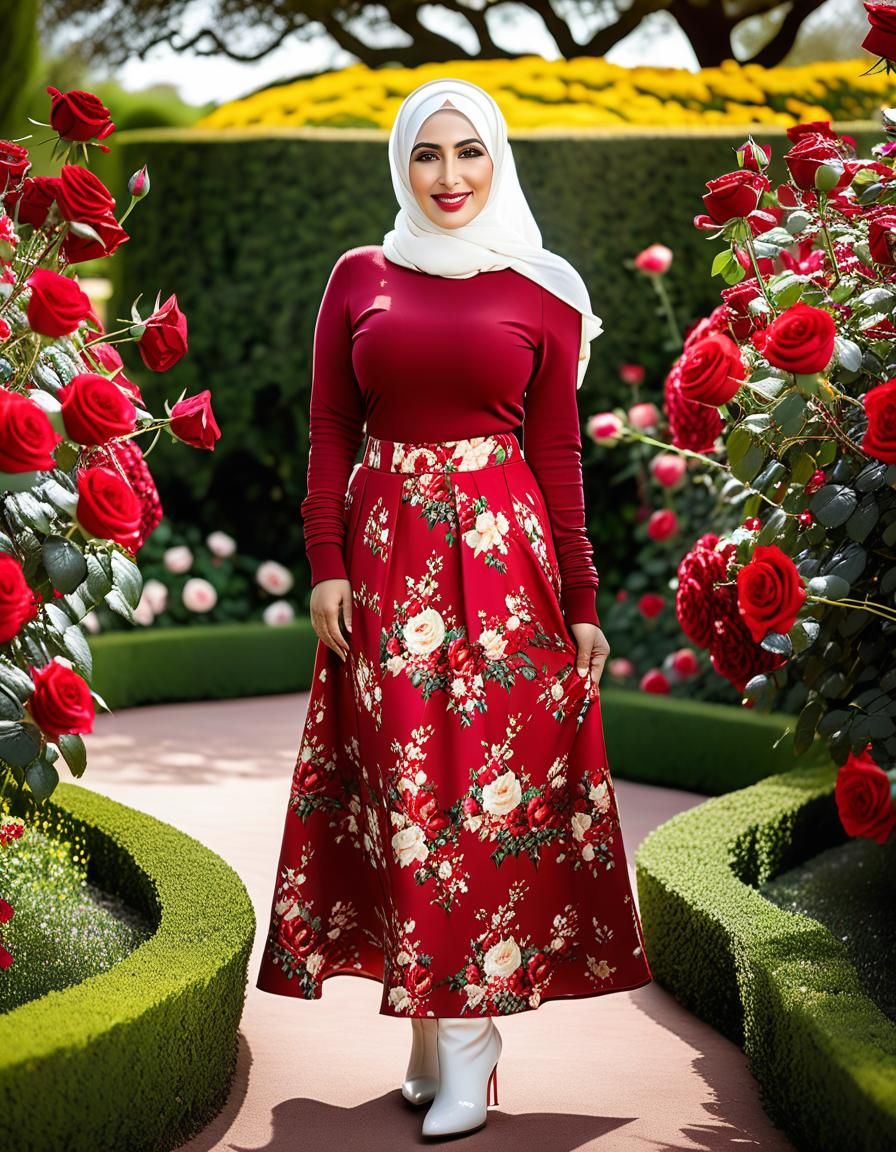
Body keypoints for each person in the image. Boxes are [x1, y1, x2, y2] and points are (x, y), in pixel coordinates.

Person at [256, 76, 653, 1140]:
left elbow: (557, 453)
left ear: (497, 160)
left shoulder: (543, 289)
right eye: (427, 153)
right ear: (401, 163)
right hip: (384, 570)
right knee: (403, 797)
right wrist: (326, 563)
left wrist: (581, 596)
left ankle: (472, 1049)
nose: (448, 175)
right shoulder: (360, 275)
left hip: (503, 573)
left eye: (469, 151)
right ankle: (432, 1028)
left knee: (480, 800)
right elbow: (329, 427)